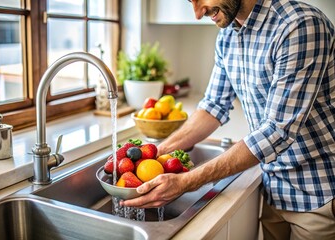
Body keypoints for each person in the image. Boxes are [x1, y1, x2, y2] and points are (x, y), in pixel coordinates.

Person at [122, 0, 335, 239]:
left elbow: (277, 130)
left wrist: (187, 181)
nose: (197, 13)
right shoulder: (228, 37)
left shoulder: (298, 26)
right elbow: (213, 107)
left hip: (318, 194)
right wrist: (156, 153)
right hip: (273, 188)